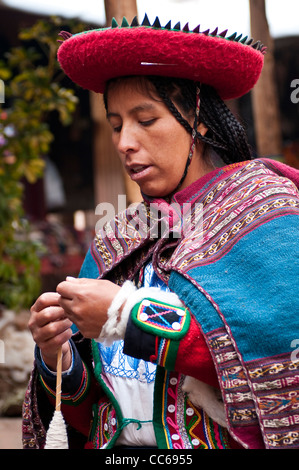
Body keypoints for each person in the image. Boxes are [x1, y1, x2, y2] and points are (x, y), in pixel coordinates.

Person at [23, 15, 299, 450]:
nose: (124, 142)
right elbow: (87, 412)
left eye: (145, 120)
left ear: (199, 121)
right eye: (116, 125)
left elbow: (277, 365)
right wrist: (58, 354)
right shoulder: (118, 238)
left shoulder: (266, 211)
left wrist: (127, 317)